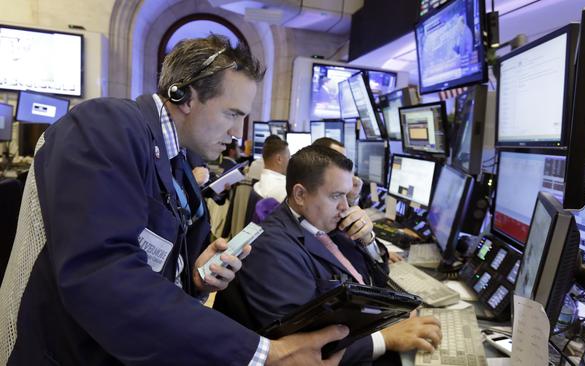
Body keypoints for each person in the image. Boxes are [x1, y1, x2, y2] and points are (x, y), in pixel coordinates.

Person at [0, 35, 348, 365]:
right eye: (232, 114)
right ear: (185, 95)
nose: (238, 133)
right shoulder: (104, 127)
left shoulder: (180, 161)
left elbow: (149, 263)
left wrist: (194, 278)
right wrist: (264, 354)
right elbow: (103, 277)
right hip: (62, 352)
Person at [215, 146, 442, 365]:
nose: (346, 207)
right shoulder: (270, 250)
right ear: (300, 194)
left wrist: (368, 239)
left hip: (363, 327)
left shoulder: (326, 222)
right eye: (336, 196)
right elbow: (303, 347)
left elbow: (378, 278)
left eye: (347, 196)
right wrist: (387, 337)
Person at [311, 137, 403, 263]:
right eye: (339, 161)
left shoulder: (338, 202)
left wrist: (352, 198)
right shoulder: (318, 212)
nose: (346, 167)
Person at [253, 136, 290, 203]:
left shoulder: (257, 185)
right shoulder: (284, 189)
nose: (290, 161)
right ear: (279, 159)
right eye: (288, 157)